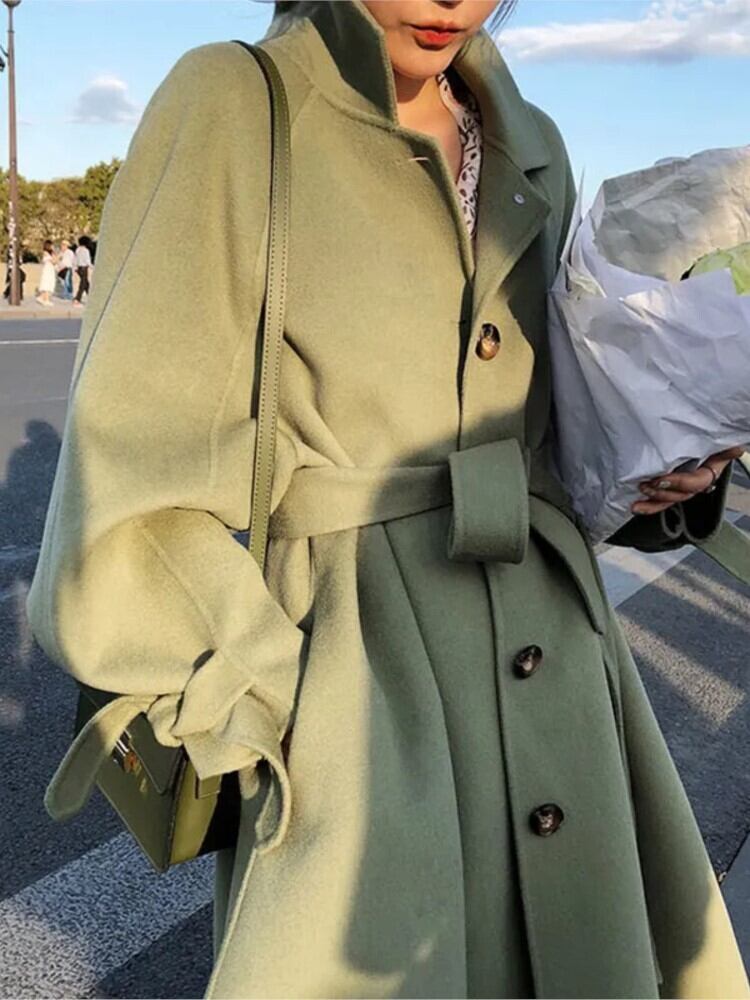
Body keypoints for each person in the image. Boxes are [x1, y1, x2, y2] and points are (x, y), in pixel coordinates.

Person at [25, 3, 749, 998]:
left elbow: (560, 437)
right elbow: (127, 486)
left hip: (568, 682)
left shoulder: (532, 142)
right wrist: (275, 704)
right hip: (359, 695)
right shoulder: (239, 104)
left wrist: (667, 471)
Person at [35, 239, 57, 307]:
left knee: (49, 283)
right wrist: (57, 256)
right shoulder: (46, 253)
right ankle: (46, 299)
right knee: (47, 284)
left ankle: (42, 298)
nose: (53, 246)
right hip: (48, 270)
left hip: (50, 269)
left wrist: (54, 253)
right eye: (52, 245)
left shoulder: (50, 253)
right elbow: (54, 261)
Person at [73, 234, 92, 306]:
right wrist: (92, 267)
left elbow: (75, 260)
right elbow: (87, 261)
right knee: (83, 284)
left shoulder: (77, 250)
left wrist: (75, 268)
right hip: (84, 268)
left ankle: (91, 298)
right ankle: (77, 299)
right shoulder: (86, 251)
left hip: (79, 268)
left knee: (86, 284)